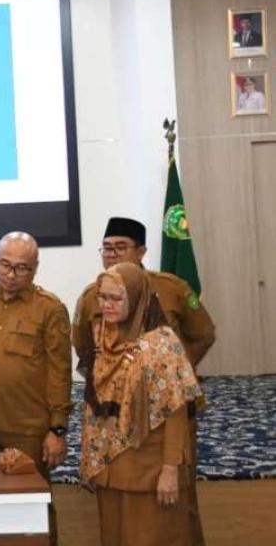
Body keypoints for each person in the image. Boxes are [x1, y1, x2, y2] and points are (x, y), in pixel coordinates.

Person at [73, 216, 215, 545]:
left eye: (120, 247)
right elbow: (85, 354)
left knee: (168, 525)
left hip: (152, 450)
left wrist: (174, 374)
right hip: (112, 452)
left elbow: (203, 335)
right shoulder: (100, 323)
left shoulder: (163, 331)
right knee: (116, 530)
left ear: (141, 251)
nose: (106, 305)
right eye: (107, 248)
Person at [0, 232, 71, 542]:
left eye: (21, 268)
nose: (11, 275)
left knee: (34, 506)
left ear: (35, 268)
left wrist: (57, 430)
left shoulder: (49, 308)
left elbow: (60, 371)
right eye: (5, 265)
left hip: (27, 428)